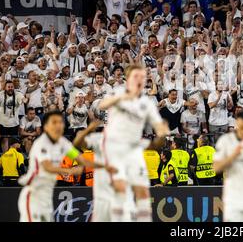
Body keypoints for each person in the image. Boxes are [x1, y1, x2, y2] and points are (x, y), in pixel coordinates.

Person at [98, 64, 169, 222]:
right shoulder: (117, 92)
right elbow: (102, 105)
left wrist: (162, 132)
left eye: (142, 77)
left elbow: (159, 127)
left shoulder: (146, 102)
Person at [17, 111, 115, 222]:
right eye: (54, 122)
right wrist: (71, 171)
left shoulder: (63, 143)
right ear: (46, 127)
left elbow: (82, 160)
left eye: (60, 122)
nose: (58, 125)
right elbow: (47, 167)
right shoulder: (41, 143)